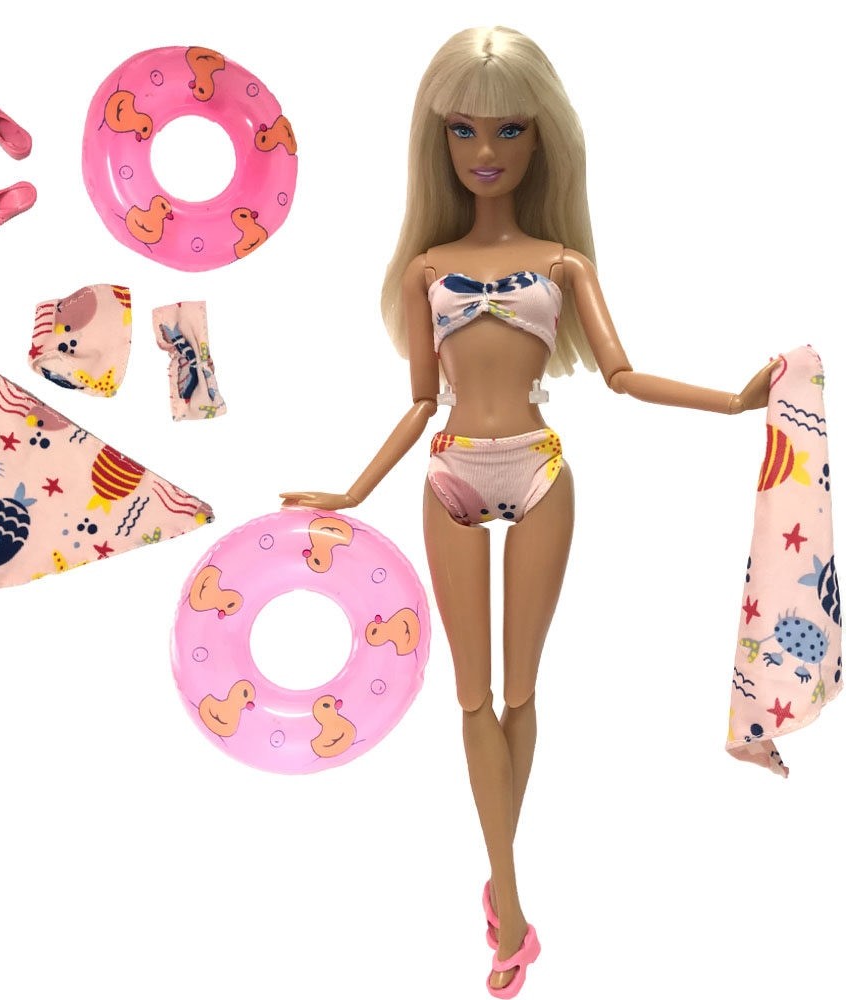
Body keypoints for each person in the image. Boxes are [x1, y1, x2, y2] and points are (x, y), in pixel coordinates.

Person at [282, 26, 773, 997]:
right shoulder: (426, 267)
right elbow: (419, 403)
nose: (484, 151)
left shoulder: (563, 263)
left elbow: (622, 375)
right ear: (438, 140)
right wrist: (352, 490)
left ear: (541, 137)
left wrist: (731, 401)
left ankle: (503, 900)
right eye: (463, 129)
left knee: (520, 694)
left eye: (507, 129)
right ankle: (509, 903)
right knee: (471, 697)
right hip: (451, 474)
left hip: (540, 470)